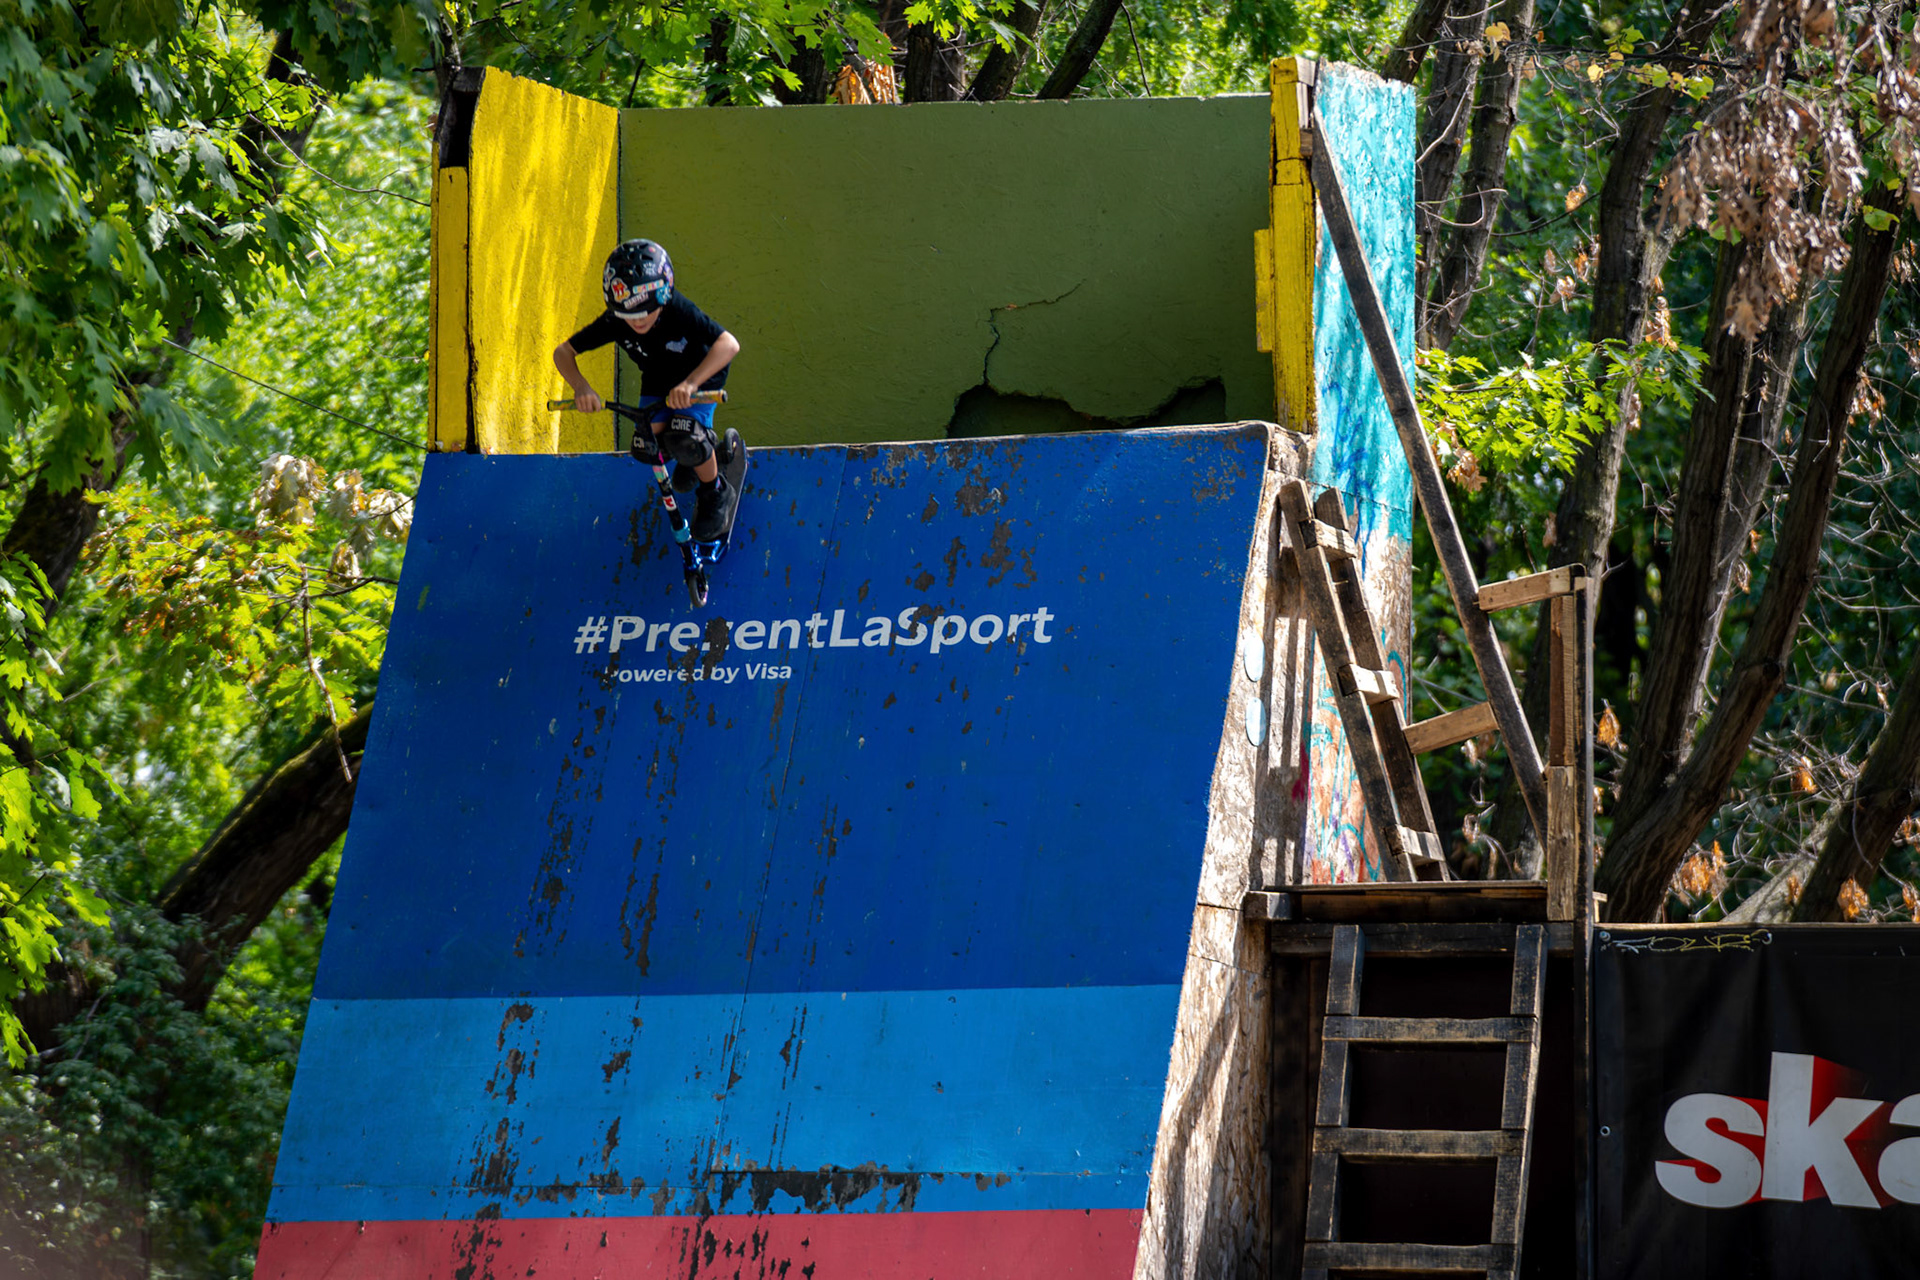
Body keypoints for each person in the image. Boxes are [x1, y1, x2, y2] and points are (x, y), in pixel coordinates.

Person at [553, 239, 743, 540]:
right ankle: (695, 460)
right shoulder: (615, 321)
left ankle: (716, 490)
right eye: (629, 314)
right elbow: (563, 352)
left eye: (646, 311)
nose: (638, 320)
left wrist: (691, 384)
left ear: (662, 297)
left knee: (687, 438)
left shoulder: (677, 308)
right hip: (658, 378)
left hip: (701, 376)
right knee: (645, 445)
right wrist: (581, 387)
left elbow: (728, 345)